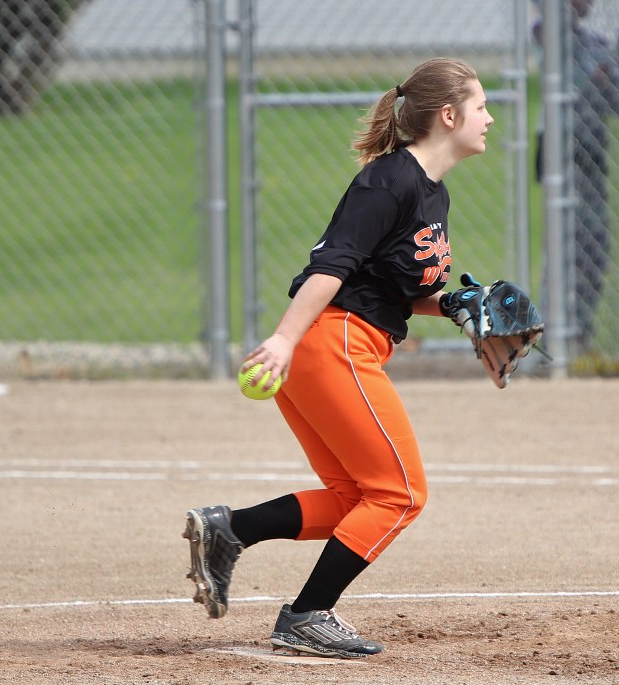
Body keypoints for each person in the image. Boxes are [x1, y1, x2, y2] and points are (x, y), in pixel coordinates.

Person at [182, 57, 494, 659]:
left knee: (357, 498)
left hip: (342, 344)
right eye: (480, 106)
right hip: (333, 344)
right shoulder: (389, 181)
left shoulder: (433, 193)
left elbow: (392, 289)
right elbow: (333, 267)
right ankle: (307, 614)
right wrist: (283, 338)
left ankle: (230, 530)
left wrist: (457, 305)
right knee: (400, 494)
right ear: (448, 116)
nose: (489, 117)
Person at [534, 0, 619, 351]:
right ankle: (551, 337)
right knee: (565, 245)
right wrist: (600, 73)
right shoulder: (547, 35)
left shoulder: (596, 44)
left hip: (591, 153)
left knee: (594, 247)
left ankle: (577, 332)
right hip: (561, 151)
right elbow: (580, 81)